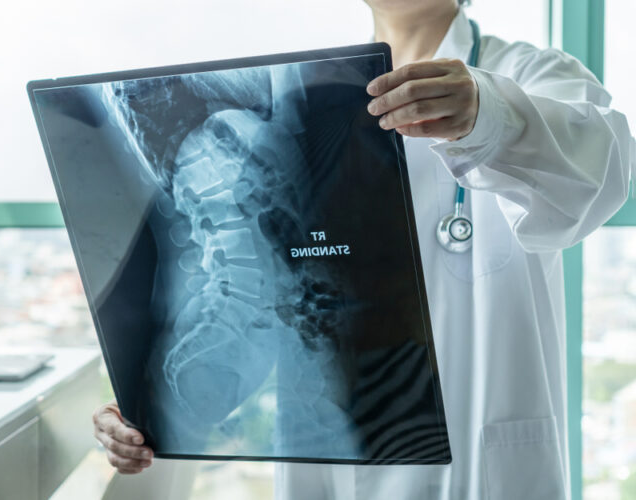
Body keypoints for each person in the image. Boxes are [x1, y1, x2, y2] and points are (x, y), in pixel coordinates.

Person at [92, 0, 635, 498]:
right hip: (331, 456)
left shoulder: (530, 74)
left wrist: (487, 116)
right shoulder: (295, 103)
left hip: (475, 463)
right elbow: (256, 302)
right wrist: (149, 413)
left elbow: (600, 172)